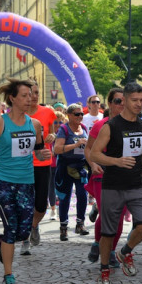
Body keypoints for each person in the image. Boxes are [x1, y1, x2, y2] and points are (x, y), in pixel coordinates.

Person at [0, 78, 50, 284]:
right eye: (24, 95)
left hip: (26, 181)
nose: (29, 99)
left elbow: (37, 151)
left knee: (23, 232)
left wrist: (43, 153)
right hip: (2, 180)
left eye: (31, 95)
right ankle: (8, 276)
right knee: (11, 226)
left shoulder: (35, 125)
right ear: (12, 98)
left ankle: (0, 240)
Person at [90, 82, 142, 284]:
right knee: (108, 233)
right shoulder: (111, 126)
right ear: (124, 101)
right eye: (134, 100)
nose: (139, 104)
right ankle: (104, 270)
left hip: (136, 184)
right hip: (112, 186)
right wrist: (116, 161)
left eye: (141, 100)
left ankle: (125, 252)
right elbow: (95, 154)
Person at [84, 87, 125, 267]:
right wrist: (93, 164)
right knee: (108, 213)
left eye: (125, 101)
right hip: (103, 175)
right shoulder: (101, 125)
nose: (122, 105)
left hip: (125, 177)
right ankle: (100, 245)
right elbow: (88, 149)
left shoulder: (133, 125)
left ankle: (110, 250)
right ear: (109, 104)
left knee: (120, 216)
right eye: (117, 101)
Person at [25, 81, 56, 253]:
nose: (35, 96)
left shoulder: (48, 112)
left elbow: (51, 132)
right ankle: (24, 237)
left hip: (43, 163)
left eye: (37, 92)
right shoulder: (17, 115)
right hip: (23, 164)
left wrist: (51, 135)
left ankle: (34, 225)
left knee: (41, 205)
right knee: (25, 203)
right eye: (31, 93)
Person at [54, 103, 90, 241]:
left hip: (80, 167)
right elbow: (57, 149)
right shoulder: (64, 129)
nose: (80, 116)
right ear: (69, 115)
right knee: (65, 197)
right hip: (65, 166)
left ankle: (80, 224)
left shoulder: (84, 128)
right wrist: (76, 144)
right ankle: (63, 228)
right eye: (77, 114)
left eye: (81, 114)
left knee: (82, 194)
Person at [47, 111, 66, 221]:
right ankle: (53, 209)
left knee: (60, 187)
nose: (58, 124)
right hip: (50, 164)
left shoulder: (64, 133)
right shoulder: (49, 134)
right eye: (55, 122)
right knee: (51, 187)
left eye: (60, 122)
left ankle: (61, 208)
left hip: (61, 164)